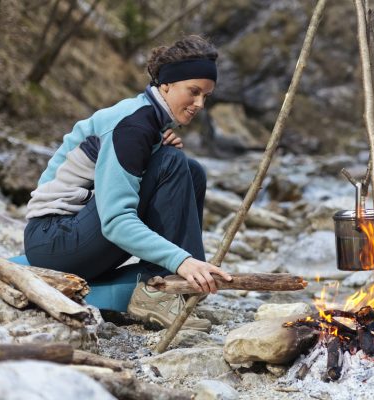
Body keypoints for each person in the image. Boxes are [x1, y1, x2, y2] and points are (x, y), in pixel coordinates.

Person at [23, 35, 232, 332]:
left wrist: (158, 148)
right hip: (54, 241)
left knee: (189, 168)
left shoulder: (146, 122)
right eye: (194, 91)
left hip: (75, 234)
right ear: (167, 85)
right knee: (173, 164)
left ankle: (177, 288)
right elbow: (115, 222)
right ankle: (158, 291)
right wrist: (181, 260)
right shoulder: (132, 125)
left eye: (206, 96)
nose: (199, 103)